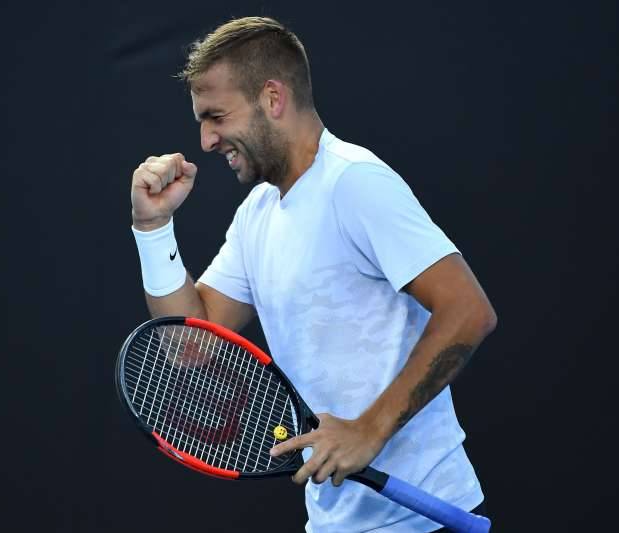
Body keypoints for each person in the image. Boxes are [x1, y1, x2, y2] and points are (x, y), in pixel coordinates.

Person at [129, 16, 497, 533]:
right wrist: (152, 228)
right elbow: (189, 344)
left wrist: (370, 430)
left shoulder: (355, 183)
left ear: (272, 98)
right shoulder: (258, 213)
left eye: (216, 116)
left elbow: (469, 310)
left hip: (422, 520)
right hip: (335, 523)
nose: (207, 140)